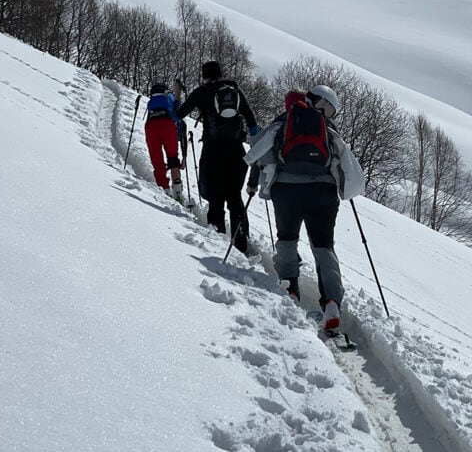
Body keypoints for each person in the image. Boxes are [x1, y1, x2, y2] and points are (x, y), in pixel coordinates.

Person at [243, 85, 364, 331]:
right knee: (323, 246)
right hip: (323, 194)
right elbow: (346, 164)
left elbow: (257, 154)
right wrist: (346, 189)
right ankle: (331, 301)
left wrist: (256, 182)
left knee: (287, 240)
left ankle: (290, 290)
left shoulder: (284, 121)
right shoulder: (328, 129)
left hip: (286, 192)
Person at [175, 61, 258, 252]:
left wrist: (176, 97)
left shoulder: (202, 91)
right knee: (235, 196)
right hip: (237, 151)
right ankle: (241, 240)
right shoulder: (234, 90)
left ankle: (218, 240)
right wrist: (255, 144)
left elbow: (178, 115)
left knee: (216, 197)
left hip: (213, 151)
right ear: (221, 73)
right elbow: (251, 119)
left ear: (205, 75)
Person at [144, 82, 183, 200]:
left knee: (157, 160)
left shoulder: (151, 102)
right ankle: (177, 191)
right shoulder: (168, 96)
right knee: (173, 158)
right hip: (168, 126)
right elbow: (177, 110)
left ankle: (164, 189)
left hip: (151, 127)